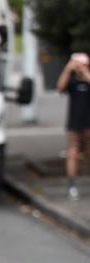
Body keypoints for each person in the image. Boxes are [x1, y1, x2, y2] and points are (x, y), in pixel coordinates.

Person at [57, 52, 90, 201]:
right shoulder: (72, 80)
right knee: (73, 153)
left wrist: (86, 74)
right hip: (74, 122)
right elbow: (60, 87)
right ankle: (72, 185)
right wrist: (67, 69)